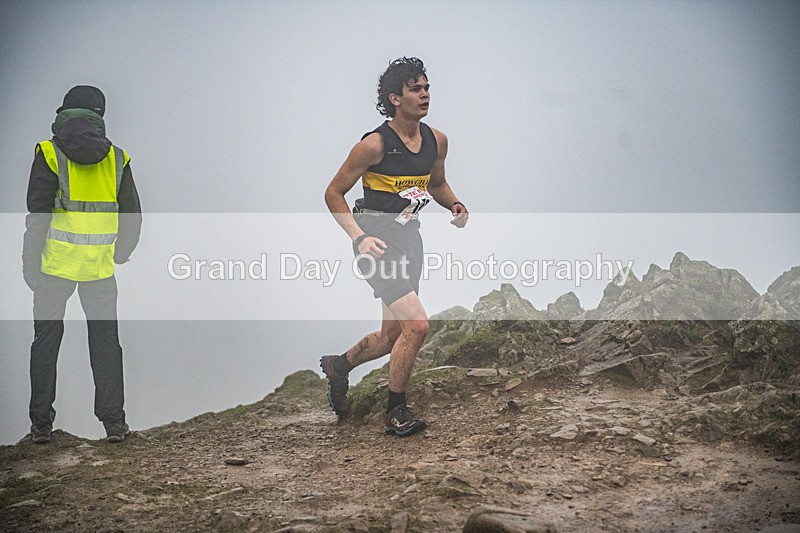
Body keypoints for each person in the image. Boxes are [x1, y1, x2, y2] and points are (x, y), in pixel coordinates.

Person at [322, 57, 468, 436]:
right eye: (415, 89)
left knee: (391, 338)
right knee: (418, 326)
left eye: (427, 87)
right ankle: (395, 411)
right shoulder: (372, 145)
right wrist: (358, 236)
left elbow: (436, 184)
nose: (425, 94)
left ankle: (339, 366)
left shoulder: (437, 140)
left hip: (409, 239)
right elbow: (333, 193)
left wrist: (454, 203)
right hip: (375, 242)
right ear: (395, 98)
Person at [22, 85, 142, 444]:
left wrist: (30, 264)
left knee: (46, 341)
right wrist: (119, 253)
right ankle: (114, 424)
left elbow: (38, 213)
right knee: (106, 343)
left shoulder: (48, 152)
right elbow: (132, 215)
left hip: (52, 268)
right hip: (99, 270)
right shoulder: (117, 158)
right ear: (99, 116)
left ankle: (41, 426)